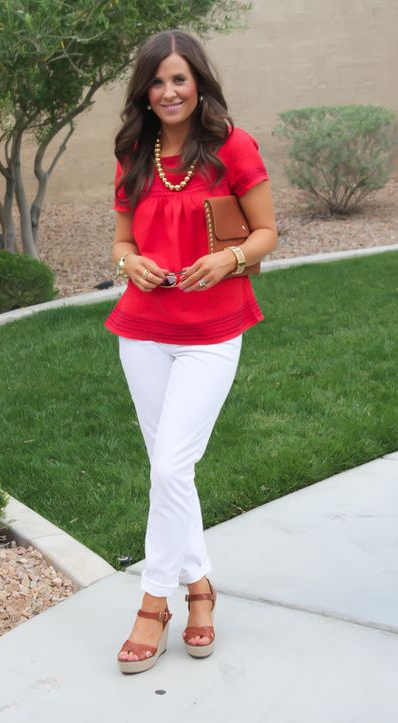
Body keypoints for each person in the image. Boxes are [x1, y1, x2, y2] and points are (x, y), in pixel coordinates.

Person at [105, 29, 278, 674]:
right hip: (143, 329)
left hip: (212, 330)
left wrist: (227, 258)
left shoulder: (230, 145)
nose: (169, 91)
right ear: (144, 91)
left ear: (198, 82)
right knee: (169, 471)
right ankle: (200, 586)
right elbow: (121, 241)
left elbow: (267, 231)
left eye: (179, 78)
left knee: (173, 467)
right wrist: (133, 264)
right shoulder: (134, 150)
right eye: (157, 80)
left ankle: (154, 601)